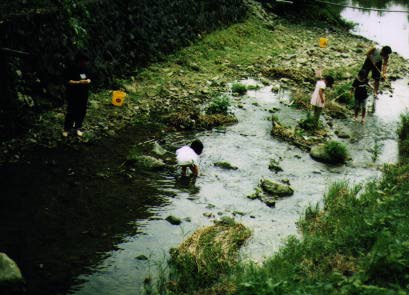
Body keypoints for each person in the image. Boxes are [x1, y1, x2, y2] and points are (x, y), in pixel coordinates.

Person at [63, 51, 92, 137]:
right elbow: (68, 81)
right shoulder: (71, 68)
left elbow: (90, 77)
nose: (85, 63)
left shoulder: (85, 68)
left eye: (86, 61)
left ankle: (78, 127)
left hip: (83, 93)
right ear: (79, 61)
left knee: (82, 111)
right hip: (73, 93)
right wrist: (79, 82)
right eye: (84, 61)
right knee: (71, 111)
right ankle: (67, 129)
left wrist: (88, 81)